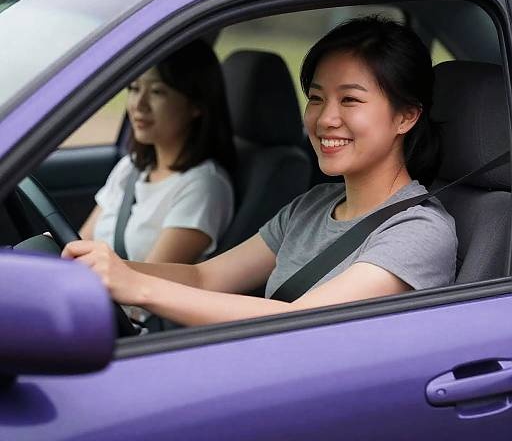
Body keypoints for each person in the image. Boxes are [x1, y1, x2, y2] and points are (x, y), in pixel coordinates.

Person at [63, 17, 457, 328]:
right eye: (316, 98)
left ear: (406, 116)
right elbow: (204, 278)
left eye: (350, 100)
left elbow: (301, 323)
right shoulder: (312, 206)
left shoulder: (419, 230)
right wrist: (102, 268)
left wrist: (139, 287)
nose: (324, 119)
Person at [80, 39, 236, 266]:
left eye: (157, 91)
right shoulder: (131, 167)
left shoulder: (204, 186)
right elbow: (80, 240)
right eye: (134, 88)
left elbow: (149, 285)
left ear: (196, 105)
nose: (138, 104)